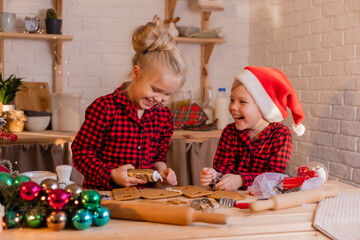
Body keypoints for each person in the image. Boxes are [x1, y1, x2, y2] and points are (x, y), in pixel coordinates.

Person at [72, 15, 187, 190]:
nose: (159, 99)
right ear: (136, 73)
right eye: (155, 90)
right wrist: (111, 174)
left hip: (146, 199)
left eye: (167, 94)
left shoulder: (163, 116)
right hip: (105, 197)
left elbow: (158, 157)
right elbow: (81, 154)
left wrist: (162, 172)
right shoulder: (103, 109)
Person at [200, 66, 305, 191]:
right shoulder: (229, 132)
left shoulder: (281, 135)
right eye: (232, 100)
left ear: (263, 107)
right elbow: (223, 169)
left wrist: (241, 180)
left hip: (266, 200)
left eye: (242, 102)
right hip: (233, 199)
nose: (233, 107)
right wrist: (214, 176)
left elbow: (273, 176)